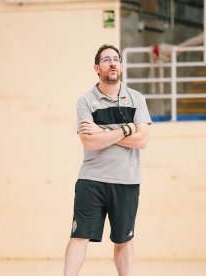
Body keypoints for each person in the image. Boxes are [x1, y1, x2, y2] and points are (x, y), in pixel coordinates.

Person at [64, 44, 151, 276]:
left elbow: (142, 140)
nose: (112, 63)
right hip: (91, 180)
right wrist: (127, 129)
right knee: (79, 235)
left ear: (121, 66)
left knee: (123, 240)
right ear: (96, 68)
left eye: (116, 59)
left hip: (127, 181)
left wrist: (102, 131)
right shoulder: (85, 101)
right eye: (106, 60)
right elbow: (89, 142)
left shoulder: (137, 99)